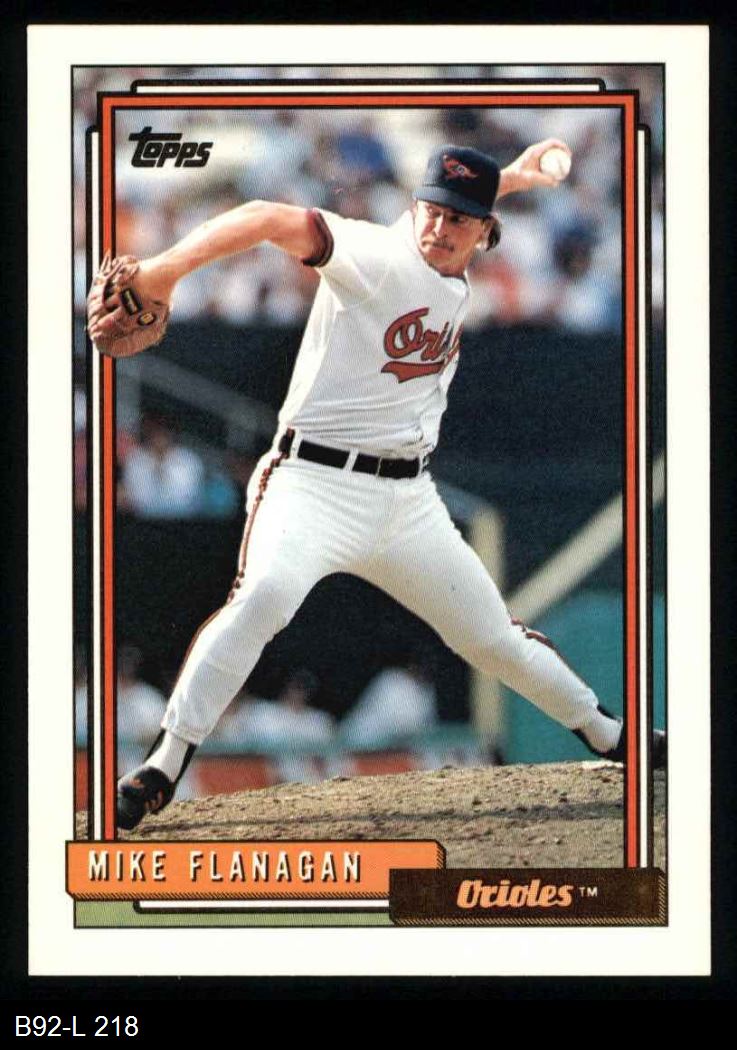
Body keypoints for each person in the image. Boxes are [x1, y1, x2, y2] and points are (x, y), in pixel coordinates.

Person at [111, 138, 665, 830]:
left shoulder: (455, 251)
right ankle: (165, 763)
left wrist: (515, 176)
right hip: (311, 482)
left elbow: (471, 199)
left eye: (457, 218)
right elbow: (263, 217)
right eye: (430, 209)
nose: (438, 226)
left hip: (407, 501)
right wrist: (163, 270)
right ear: (413, 207)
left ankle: (611, 736)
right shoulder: (374, 255)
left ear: (485, 232)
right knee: (265, 596)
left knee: (492, 638)